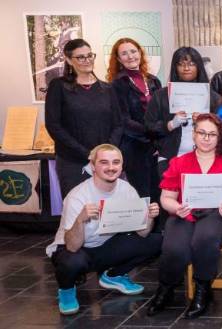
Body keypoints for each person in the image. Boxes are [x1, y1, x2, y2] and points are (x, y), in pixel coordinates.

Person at [45, 144, 162, 315]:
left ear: (121, 166)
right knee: (72, 261)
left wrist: (149, 218)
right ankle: (67, 290)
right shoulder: (78, 196)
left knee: (157, 241)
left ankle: (114, 275)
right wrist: (80, 220)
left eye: (116, 162)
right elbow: (72, 247)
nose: (111, 168)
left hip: (105, 247)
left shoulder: (126, 189)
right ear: (93, 166)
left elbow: (142, 233)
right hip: (76, 248)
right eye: (104, 162)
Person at [146, 114, 222, 318]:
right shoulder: (179, 162)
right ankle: (166, 288)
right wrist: (176, 208)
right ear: (194, 135)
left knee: (204, 239)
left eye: (212, 134)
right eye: (202, 133)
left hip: (218, 213)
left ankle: (203, 289)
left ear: (219, 137)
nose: (206, 138)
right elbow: (166, 197)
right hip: (183, 212)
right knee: (174, 247)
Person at [45, 38, 122, 197]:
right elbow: (53, 126)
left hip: (105, 164)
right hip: (72, 162)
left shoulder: (107, 89)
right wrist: (87, 154)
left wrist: (104, 154)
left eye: (89, 55)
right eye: (80, 57)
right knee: (78, 212)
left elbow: (118, 124)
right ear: (68, 60)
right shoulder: (58, 86)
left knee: (106, 212)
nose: (87, 60)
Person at [144, 47, 221, 179]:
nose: (186, 68)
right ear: (175, 67)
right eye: (181, 64)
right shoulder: (161, 96)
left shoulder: (213, 97)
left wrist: (207, 121)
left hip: (205, 158)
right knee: (170, 197)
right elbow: (148, 127)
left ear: (199, 67)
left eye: (191, 64)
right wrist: (170, 124)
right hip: (170, 158)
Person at [107, 38, 163, 202]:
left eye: (133, 51)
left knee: (158, 191)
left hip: (156, 147)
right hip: (134, 147)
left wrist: (159, 141)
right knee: (141, 194)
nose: (130, 56)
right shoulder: (117, 84)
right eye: (124, 53)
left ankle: (159, 228)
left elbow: (162, 113)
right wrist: (153, 133)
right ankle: (143, 228)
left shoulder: (153, 80)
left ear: (140, 53)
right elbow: (123, 121)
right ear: (118, 59)